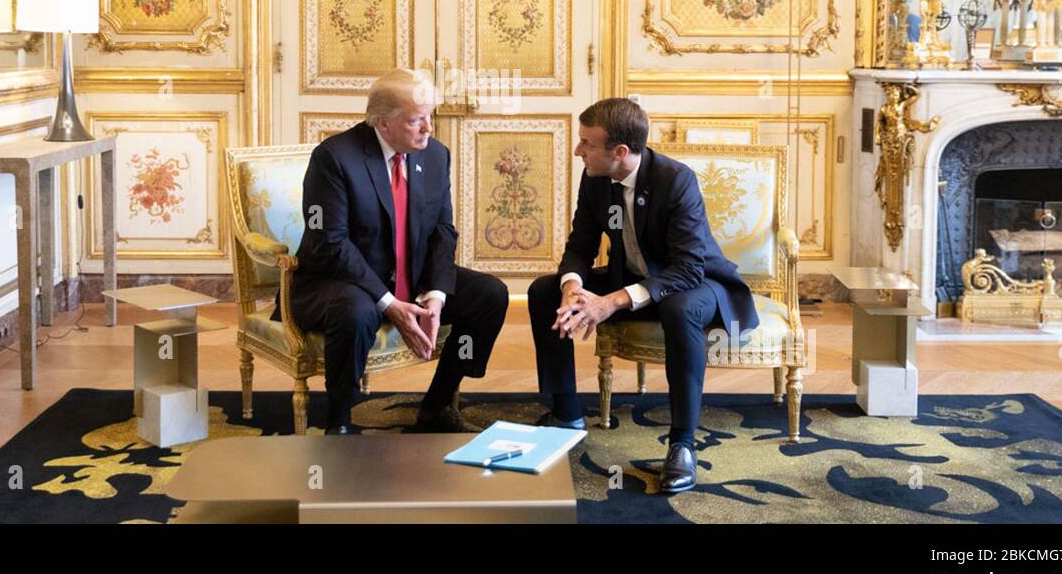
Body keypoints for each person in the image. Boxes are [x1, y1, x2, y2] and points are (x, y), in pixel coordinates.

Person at [527, 98, 759, 492]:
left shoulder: (676, 180)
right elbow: (580, 246)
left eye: (586, 143)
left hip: (697, 285)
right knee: (543, 290)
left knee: (680, 306)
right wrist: (573, 288)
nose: (578, 150)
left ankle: (682, 445)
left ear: (619, 152)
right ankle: (566, 414)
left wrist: (610, 302)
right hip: (633, 279)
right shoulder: (595, 177)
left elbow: (687, 268)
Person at [291, 69, 509, 434]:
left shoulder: (436, 155)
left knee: (490, 295)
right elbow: (330, 242)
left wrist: (436, 295)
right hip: (341, 282)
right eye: (415, 120)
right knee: (356, 311)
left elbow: (443, 230)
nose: (428, 128)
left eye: (429, 116)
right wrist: (388, 302)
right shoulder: (334, 158)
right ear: (382, 122)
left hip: (411, 275)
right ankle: (339, 420)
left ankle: (437, 405)